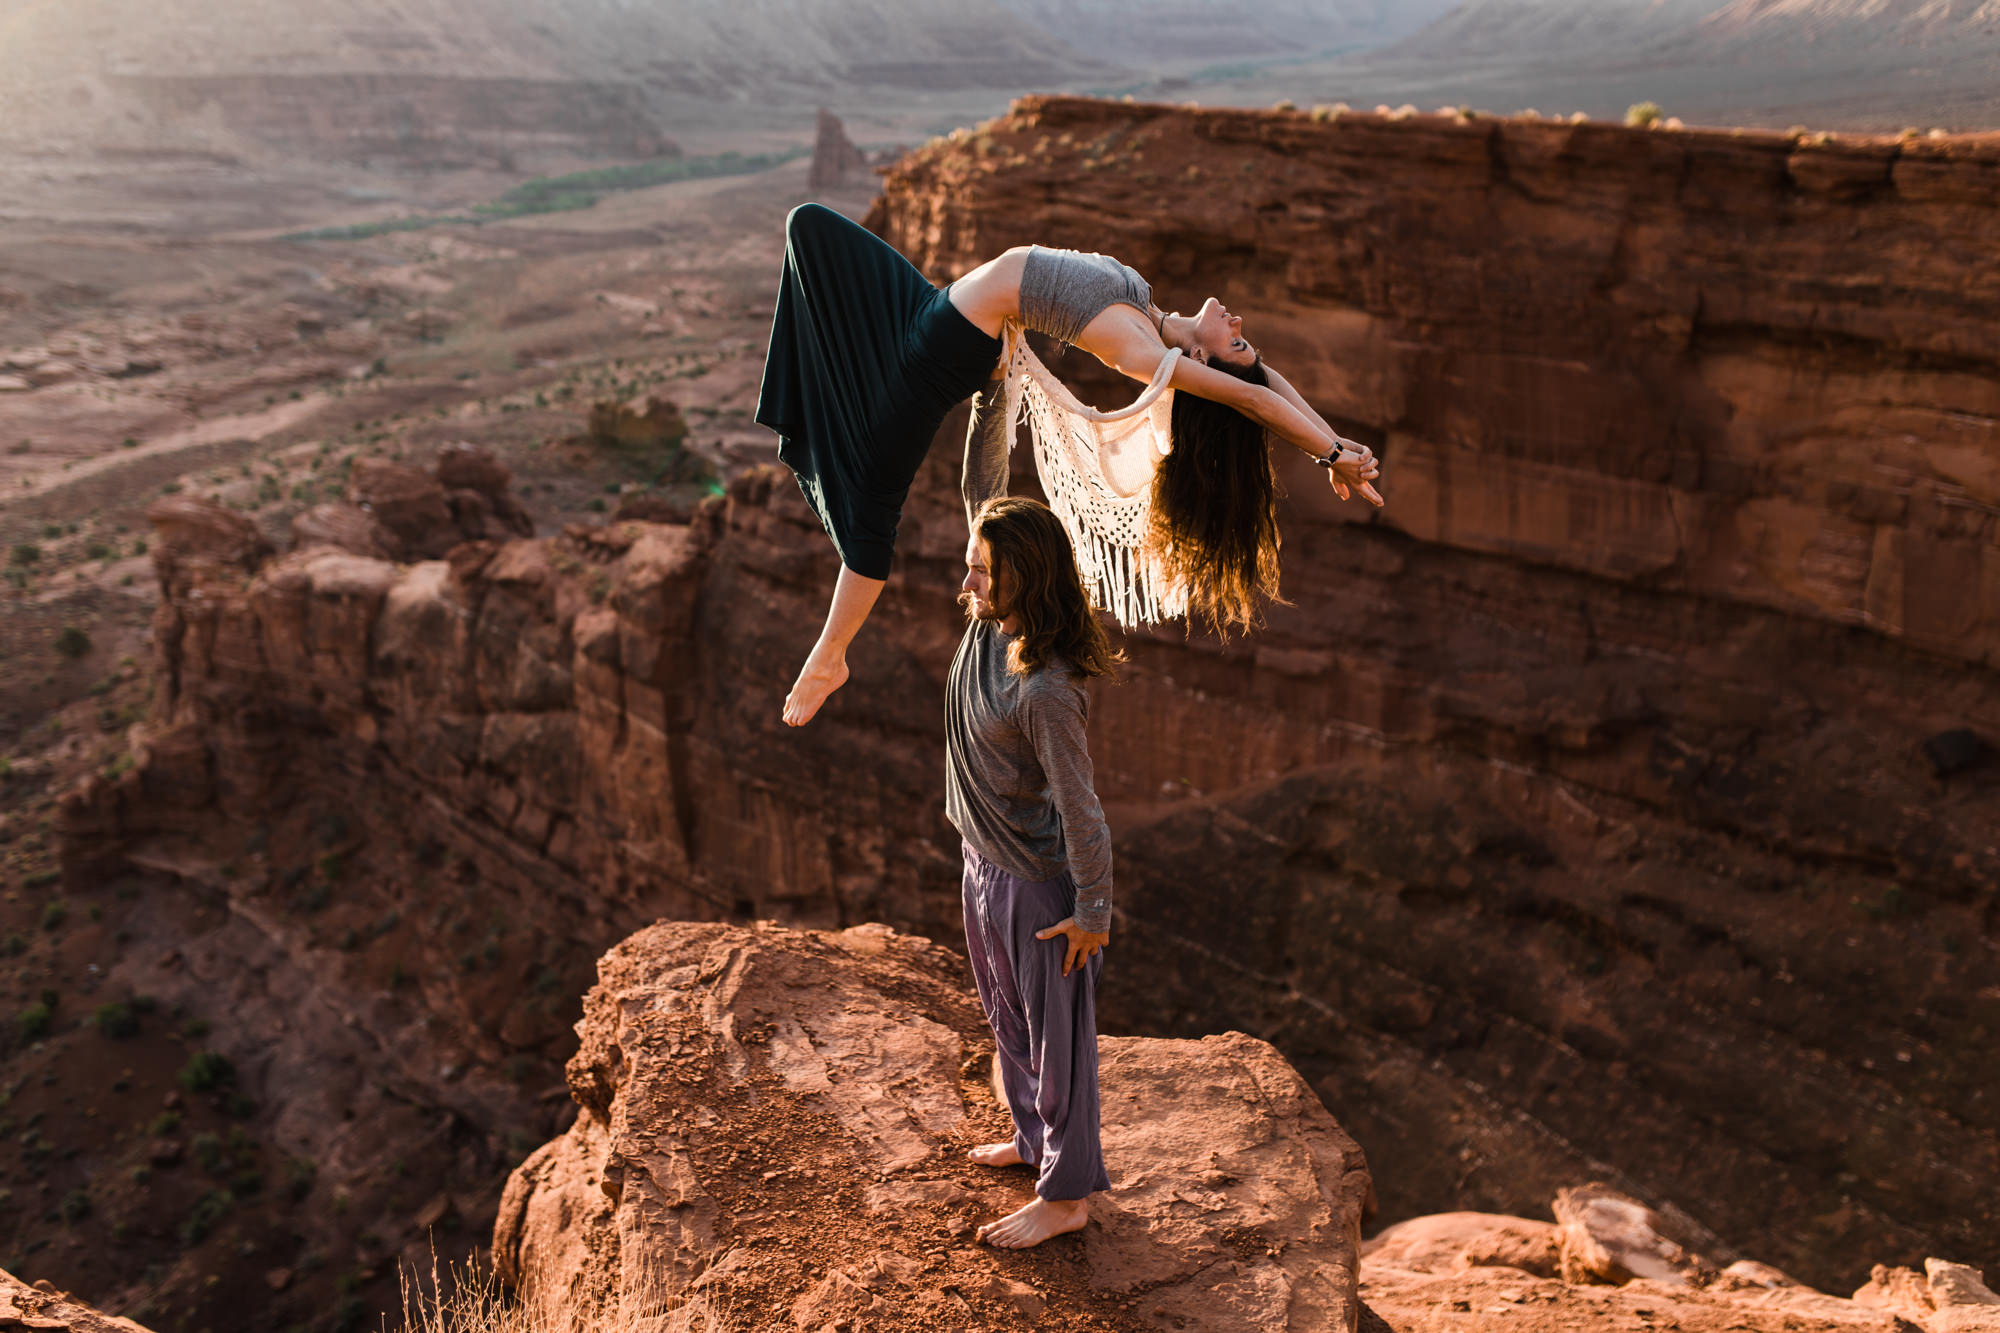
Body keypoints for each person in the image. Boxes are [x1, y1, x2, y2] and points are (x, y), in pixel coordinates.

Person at [755, 202, 1384, 726]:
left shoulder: (1139, 349)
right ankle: (822, 402)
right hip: (930, 305)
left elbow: (1250, 394)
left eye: (1235, 341)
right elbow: (1265, 378)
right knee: (808, 227)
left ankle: (831, 654)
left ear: (1197, 356)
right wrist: (1338, 443)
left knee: (871, 516)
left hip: (932, 352)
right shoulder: (1146, 306)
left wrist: (1325, 452)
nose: (1238, 321)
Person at [949, 493, 1121, 1249]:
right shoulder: (990, 624)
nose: (969, 583)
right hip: (982, 861)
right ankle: (1031, 1141)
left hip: (1036, 883)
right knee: (1008, 1021)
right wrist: (992, 387)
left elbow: (1082, 808)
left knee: (1060, 1045)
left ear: (1023, 571)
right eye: (970, 566)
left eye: (983, 570)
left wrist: (1092, 912)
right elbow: (977, 483)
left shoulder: (1046, 688)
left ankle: (1068, 1192)